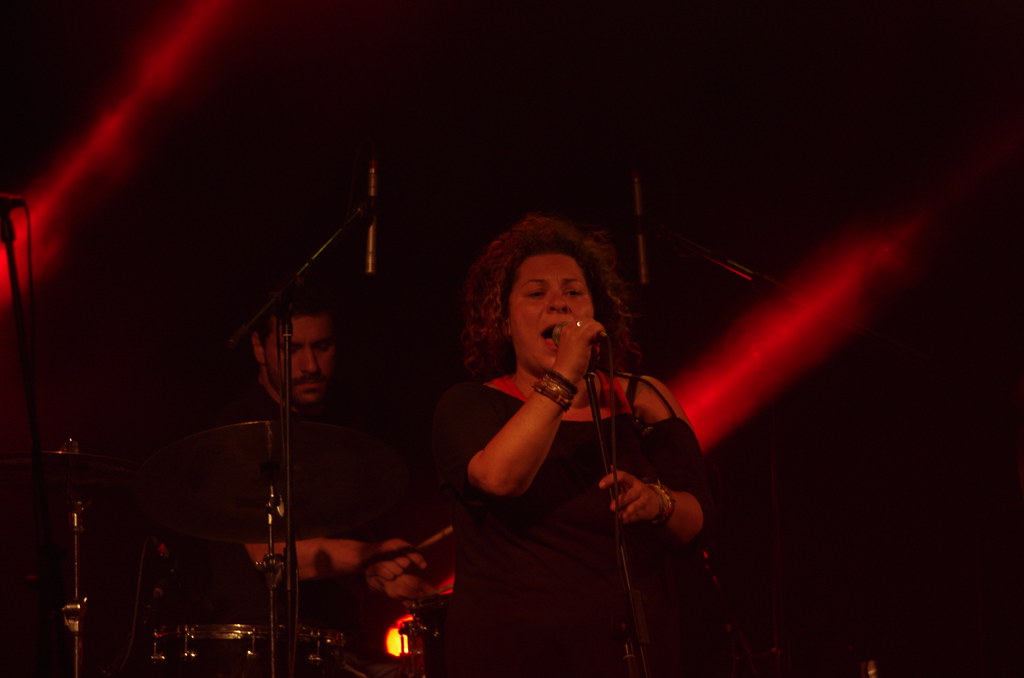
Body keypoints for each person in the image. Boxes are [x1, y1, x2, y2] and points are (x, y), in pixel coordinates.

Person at [432, 213, 715, 677]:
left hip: (629, 657)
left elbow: (697, 520)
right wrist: (565, 375)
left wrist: (657, 503)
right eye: (536, 293)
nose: (559, 304)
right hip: (514, 660)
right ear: (504, 322)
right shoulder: (470, 405)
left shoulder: (642, 399)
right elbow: (498, 479)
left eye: (573, 292)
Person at [194, 288, 436, 677]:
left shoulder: (342, 429)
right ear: (258, 348)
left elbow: (348, 549)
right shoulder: (242, 430)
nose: (310, 365)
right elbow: (270, 554)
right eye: (292, 349)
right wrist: (368, 554)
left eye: (322, 347)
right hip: (264, 647)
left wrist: (380, 576)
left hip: (341, 643)